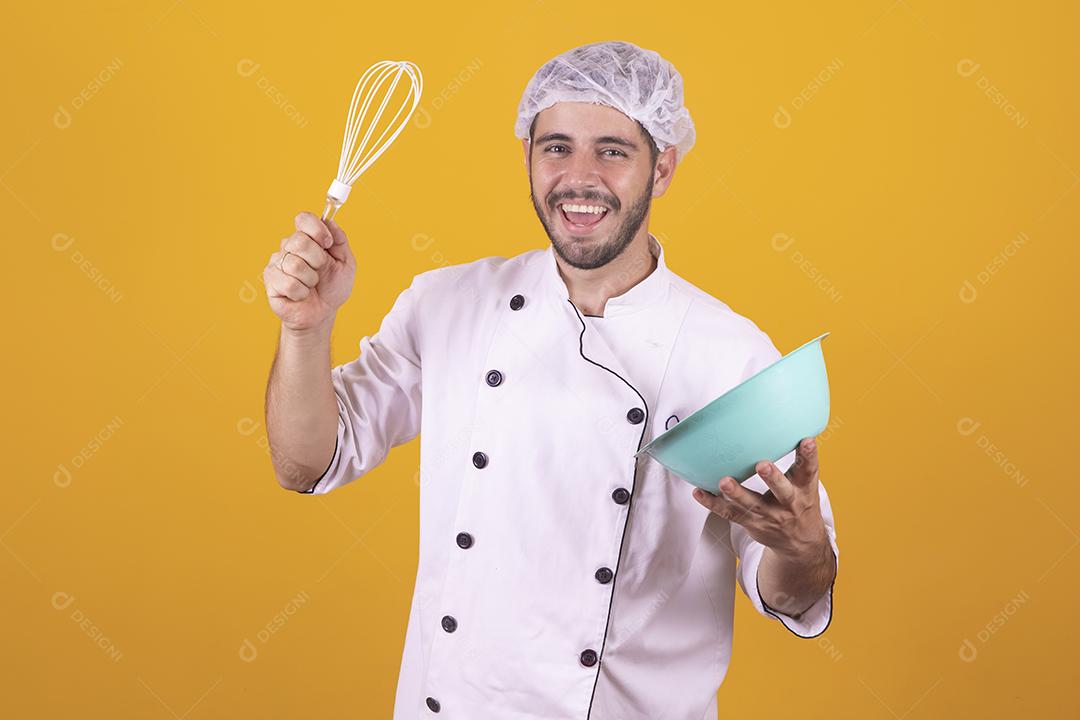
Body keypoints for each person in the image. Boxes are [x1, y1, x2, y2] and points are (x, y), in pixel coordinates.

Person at [262, 40, 838, 720]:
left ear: (663, 168)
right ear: (529, 157)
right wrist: (306, 329)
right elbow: (305, 462)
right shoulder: (448, 304)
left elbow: (792, 590)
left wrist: (805, 551)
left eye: (613, 151)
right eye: (556, 147)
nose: (579, 176)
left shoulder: (730, 355)